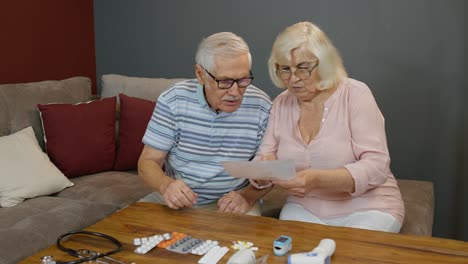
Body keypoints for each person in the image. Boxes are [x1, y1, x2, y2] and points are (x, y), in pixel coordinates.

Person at [252, 21, 404, 232]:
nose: (293, 79)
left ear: (324, 64)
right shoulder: (281, 103)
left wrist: (318, 179)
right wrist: (264, 169)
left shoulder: (356, 94)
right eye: (285, 69)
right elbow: (264, 156)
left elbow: (377, 165)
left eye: (303, 68)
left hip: (369, 207)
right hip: (304, 208)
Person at [138, 32, 272, 215]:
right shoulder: (173, 100)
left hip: (234, 203)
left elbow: (271, 170)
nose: (235, 92)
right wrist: (166, 186)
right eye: (225, 81)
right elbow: (147, 162)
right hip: (177, 200)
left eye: (242, 80)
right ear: (200, 74)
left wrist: (248, 196)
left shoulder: (262, 105)